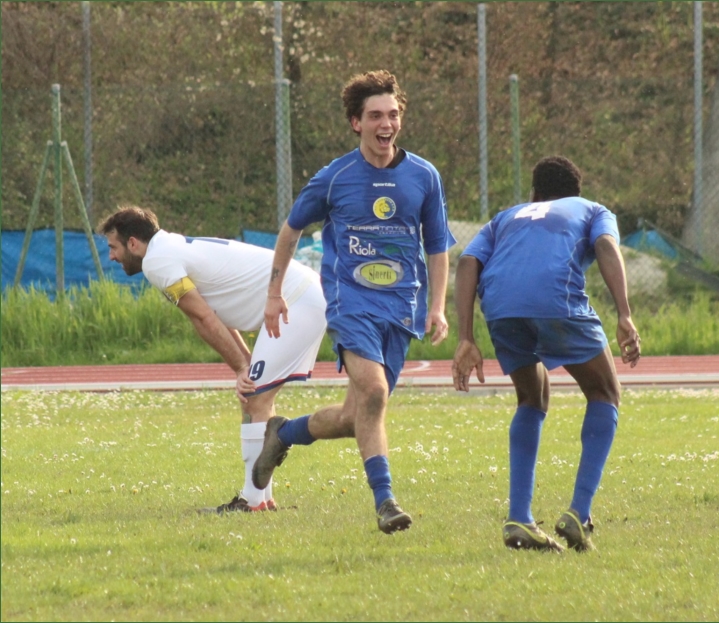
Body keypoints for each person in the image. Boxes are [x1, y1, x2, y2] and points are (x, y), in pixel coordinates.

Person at [251, 69, 456, 535]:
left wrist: (437, 307)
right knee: (376, 393)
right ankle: (386, 502)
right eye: (376, 116)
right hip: (351, 303)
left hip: (401, 309)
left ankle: (283, 433)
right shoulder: (335, 176)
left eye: (394, 114)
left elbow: (438, 246)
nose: (387, 124)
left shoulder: (424, 175)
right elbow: (291, 230)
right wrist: (273, 294)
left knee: (355, 416)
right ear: (356, 123)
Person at [451, 156, 640, 552]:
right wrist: (624, 314)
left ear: (534, 193)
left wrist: (466, 337)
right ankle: (578, 514)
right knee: (605, 393)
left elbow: (468, 262)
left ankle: (519, 518)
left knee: (532, 398)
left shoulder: (506, 216)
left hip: (500, 306)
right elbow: (606, 245)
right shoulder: (592, 209)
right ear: (576, 191)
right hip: (556, 300)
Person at [97, 206, 327, 513]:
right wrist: (244, 363)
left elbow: (203, 318)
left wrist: (242, 368)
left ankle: (253, 501)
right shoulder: (168, 248)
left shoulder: (157, 261)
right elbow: (213, 313)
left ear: (133, 243)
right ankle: (261, 499)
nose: (112, 256)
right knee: (255, 397)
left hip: (298, 299)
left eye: (113, 247)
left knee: (255, 396)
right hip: (303, 294)